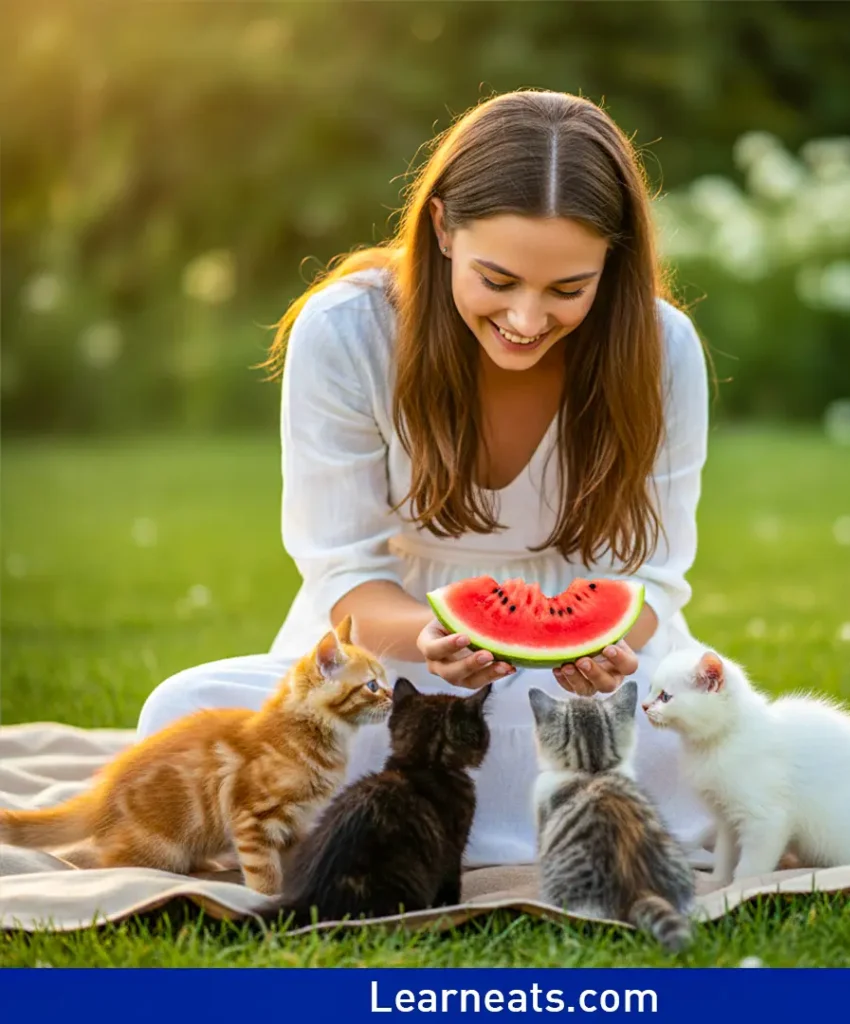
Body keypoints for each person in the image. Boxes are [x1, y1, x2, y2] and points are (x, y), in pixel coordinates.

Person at [138, 90, 713, 866]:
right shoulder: (346, 332)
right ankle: (544, 821)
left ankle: (394, 826)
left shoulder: (663, 346)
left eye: (568, 290)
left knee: (717, 744)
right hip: (392, 665)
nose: (528, 319)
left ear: (613, 258)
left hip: (590, 691)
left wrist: (609, 648)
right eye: (498, 280)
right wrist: (426, 637)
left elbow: (648, 576)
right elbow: (346, 570)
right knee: (179, 711)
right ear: (442, 227)